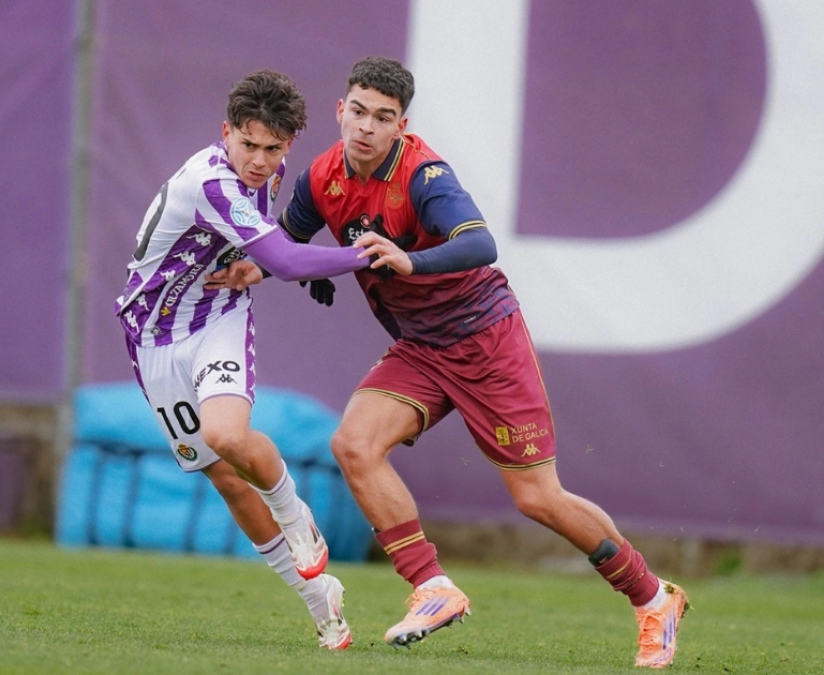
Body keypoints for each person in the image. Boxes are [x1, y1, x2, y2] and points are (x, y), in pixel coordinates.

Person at [265, 56, 690, 667]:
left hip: (485, 339)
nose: (365, 127)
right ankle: (432, 587)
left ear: (401, 126)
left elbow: (479, 243)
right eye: (357, 111)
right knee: (354, 445)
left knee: (538, 498)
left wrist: (412, 262)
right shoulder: (322, 176)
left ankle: (653, 599)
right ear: (340, 110)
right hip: (421, 345)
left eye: (382, 118)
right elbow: (283, 241)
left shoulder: (423, 173)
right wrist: (267, 268)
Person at [114, 69, 378, 650]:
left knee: (228, 436)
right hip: (152, 338)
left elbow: (277, 241)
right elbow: (285, 259)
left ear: (288, 145)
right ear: (225, 132)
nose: (259, 161)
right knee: (226, 479)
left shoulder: (274, 170)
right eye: (248, 144)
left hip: (216, 317)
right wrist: (363, 255)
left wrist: (260, 262)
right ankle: (320, 600)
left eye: (273, 149)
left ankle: (294, 513)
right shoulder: (209, 182)